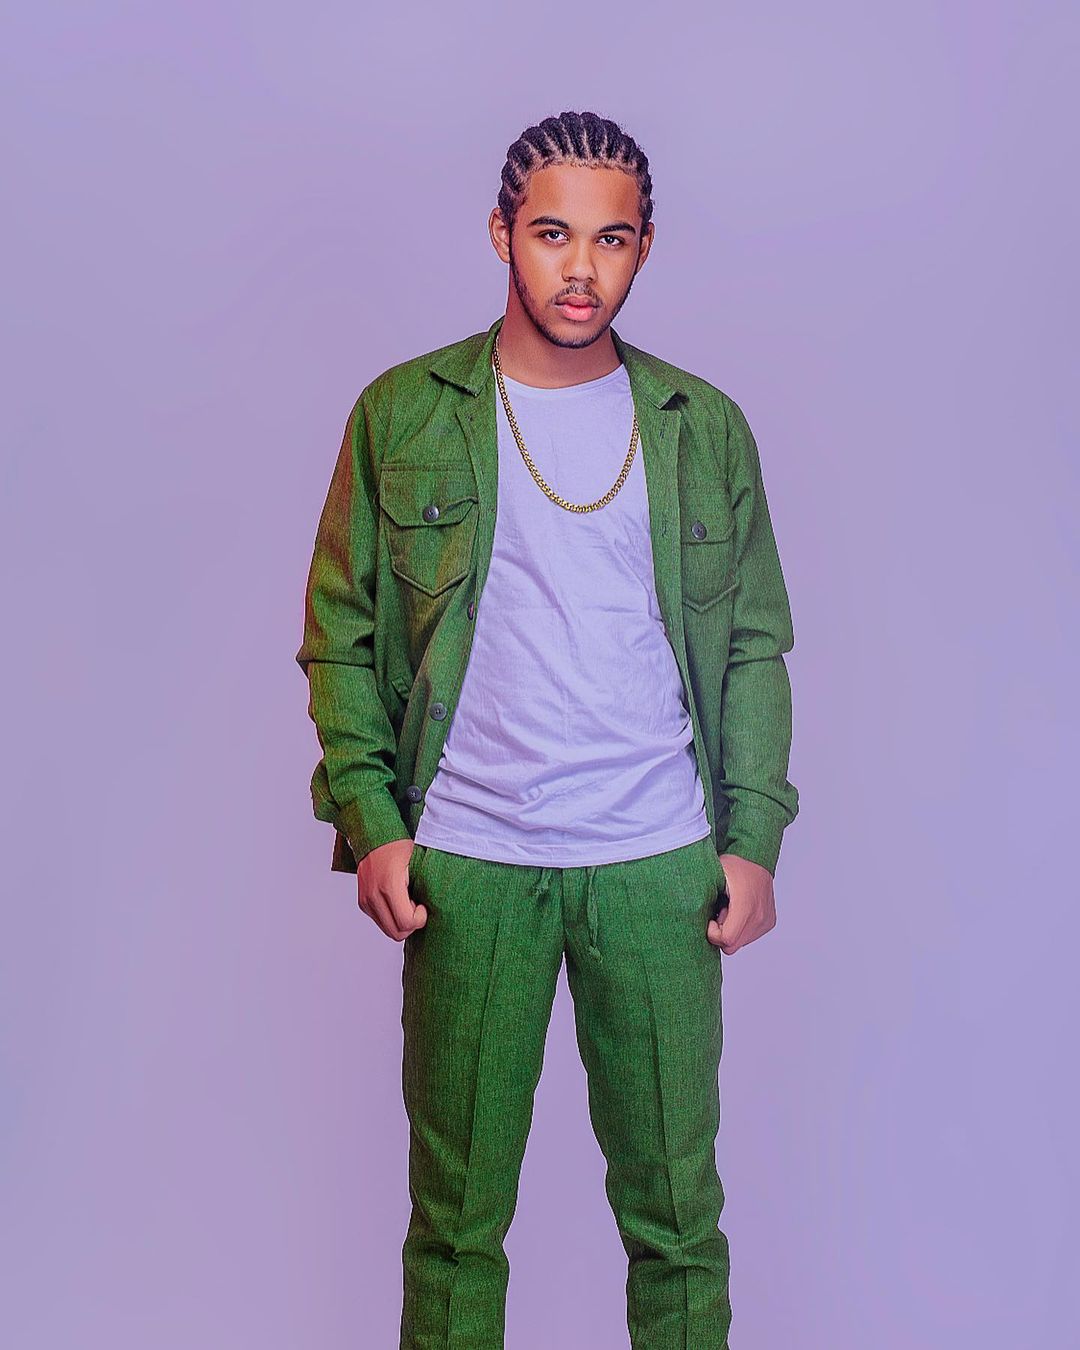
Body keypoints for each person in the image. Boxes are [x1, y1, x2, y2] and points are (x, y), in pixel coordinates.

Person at [295, 108, 799, 1350]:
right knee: (456, 1229)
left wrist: (752, 841)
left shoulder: (701, 425)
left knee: (678, 1223)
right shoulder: (402, 413)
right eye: (552, 234)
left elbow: (752, 645)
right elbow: (339, 634)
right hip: (469, 864)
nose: (581, 269)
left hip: (657, 865)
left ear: (644, 248)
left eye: (611, 239)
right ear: (501, 235)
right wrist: (373, 822)